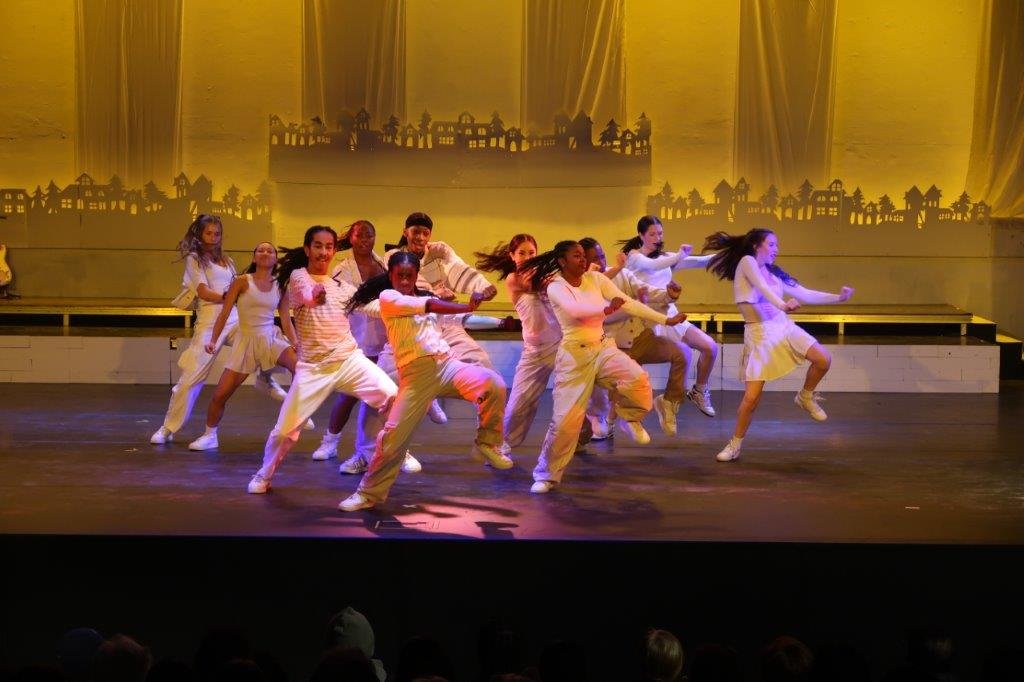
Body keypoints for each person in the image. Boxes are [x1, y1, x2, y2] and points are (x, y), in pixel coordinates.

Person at [338, 251, 511, 512]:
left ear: (417, 276)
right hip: (416, 377)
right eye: (400, 276)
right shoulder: (389, 298)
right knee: (392, 439)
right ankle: (368, 493)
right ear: (391, 276)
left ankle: (487, 442)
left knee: (493, 382)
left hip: (447, 365)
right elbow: (432, 307)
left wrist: (499, 322)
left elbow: (457, 318)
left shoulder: (430, 299)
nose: (405, 281)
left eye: (410, 276)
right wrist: (467, 303)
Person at [519, 241, 688, 493]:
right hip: (574, 357)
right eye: (576, 256)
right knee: (565, 422)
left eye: (582, 256)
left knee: (638, 380)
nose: (582, 260)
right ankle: (546, 474)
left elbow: (629, 303)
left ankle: (629, 419)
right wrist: (607, 309)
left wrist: (666, 319)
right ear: (563, 261)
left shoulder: (595, 279)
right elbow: (578, 311)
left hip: (602, 347)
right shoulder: (556, 286)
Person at [246, 226, 398, 494]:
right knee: (284, 432)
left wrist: (404, 307)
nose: (324, 252)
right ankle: (264, 473)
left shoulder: (342, 286)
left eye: (329, 247)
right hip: (313, 369)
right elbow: (307, 294)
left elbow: (370, 308)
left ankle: (396, 451)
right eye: (318, 246)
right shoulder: (298, 277)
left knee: (393, 396)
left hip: (348, 360)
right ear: (307, 249)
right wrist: (315, 297)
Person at [703, 228, 854, 463]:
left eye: (777, 245)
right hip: (760, 334)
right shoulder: (747, 262)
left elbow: (806, 293)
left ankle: (805, 396)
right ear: (757, 245)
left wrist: (839, 298)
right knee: (751, 399)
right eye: (771, 244)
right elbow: (761, 288)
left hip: (782, 326)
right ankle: (735, 444)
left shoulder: (774, 273)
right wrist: (782, 304)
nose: (776, 249)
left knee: (823, 359)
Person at [150, 215, 285, 445]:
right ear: (200, 235)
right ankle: (168, 427)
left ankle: (265, 378)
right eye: (208, 233)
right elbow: (203, 291)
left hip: (235, 317)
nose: (213, 238)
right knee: (192, 376)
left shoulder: (227, 261)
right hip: (210, 318)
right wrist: (228, 296)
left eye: (217, 233)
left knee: (266, 338)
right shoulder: (195, 259)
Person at [307, 220, 424, 475]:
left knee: (391, 400)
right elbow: (338, 303)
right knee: (349, 397)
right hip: (356, 339)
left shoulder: (383, 264)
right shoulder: (341, 268)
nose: (366, 241)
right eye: (361, 236)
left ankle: (397, 449)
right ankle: (331, 441)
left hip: (385, 341)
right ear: (352, 238)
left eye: (370, 236)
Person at [187, 242, 306, 451]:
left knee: (302, 370)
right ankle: (209, 435)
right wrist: (213, 340)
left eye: (270, 250)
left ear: (275, 259)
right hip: (246, 341)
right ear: (254, 258)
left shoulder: (280, 285)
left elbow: (286, 319)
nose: (265, 252)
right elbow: (224, 313)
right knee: (219, 395)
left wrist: (295, 343)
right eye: (260, 250)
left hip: (270, 337)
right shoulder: (242, 282)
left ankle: (295, 415)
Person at [580, 237, 690, 436]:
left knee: (682, 353)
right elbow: (603, 317)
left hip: (640, 338)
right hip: (613, 346)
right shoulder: (585, 285)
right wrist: (634, 304)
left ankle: (667, 403)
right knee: (617, 388)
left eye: (602, 256)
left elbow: (645, 291)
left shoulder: (623, 274)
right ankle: (613, 422)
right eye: (594, 258)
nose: (601, 261)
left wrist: (668, 295)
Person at [620, 215, 719, 419]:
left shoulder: (667, 258)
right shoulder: (634, 257)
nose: (658, 237)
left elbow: (699, 262)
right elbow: (651, 267)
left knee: (710, 347)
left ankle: (699, 391)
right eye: (652, 234)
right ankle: (609, 422)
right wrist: (679, 256)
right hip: (645, 322)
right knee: (626, 382)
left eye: (660, 233)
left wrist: (733, 254)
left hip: (671, 317)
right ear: (641, 235)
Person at [474, 234, 562, 455]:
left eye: (531, 253)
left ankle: (585, 432)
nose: (526, 257)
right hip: (535, 351)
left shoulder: (547, 276)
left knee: (578, 396)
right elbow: (536, 283)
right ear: (512, 256)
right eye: (521, 253)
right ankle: (498, 446)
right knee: (519, 405)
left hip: (561, 346)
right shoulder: (515, 278)